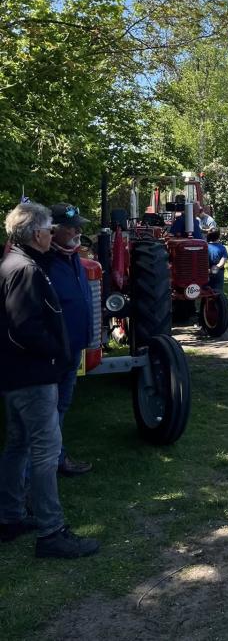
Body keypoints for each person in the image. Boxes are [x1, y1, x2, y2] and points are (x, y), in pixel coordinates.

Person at [0, 202, 99, 558]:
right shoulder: (25, 269)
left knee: (18, 445)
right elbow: (25, 328)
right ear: (35, 233)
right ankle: (51, 531)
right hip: (34, 376)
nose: (48, 232)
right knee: (45, 451)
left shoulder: (15, 263)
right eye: (45, 228)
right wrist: (55, 354)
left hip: (18, 375)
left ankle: (10, 517)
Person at [47, 203, 93, 477]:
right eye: (72, 227)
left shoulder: (73, 257)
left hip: (74, 346)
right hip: (52, 350)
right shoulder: (42, 261)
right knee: (45, 412)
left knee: (62, 405)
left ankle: (58, 457)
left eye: (79, 226)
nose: (78, 231)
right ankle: (33, 478)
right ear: (53, 231)